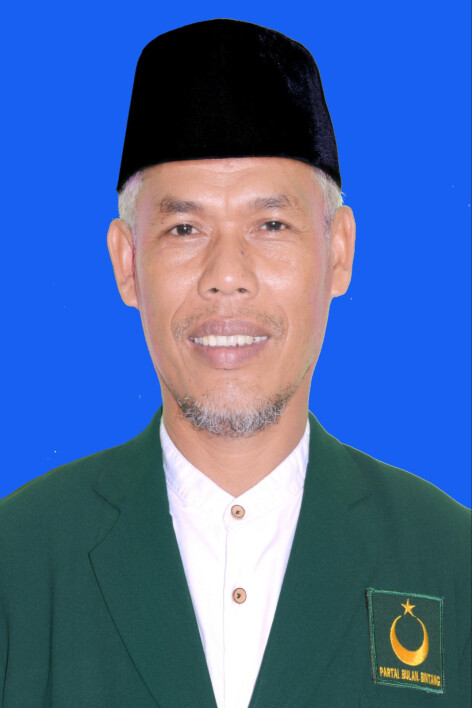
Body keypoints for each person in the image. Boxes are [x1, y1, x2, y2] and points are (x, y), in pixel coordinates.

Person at [0, 18, 469, 708]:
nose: (226, 277)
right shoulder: (17, 561)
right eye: (184, 228)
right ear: (127, 262)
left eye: (270, 225)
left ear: (338, 252)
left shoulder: (451, 559)